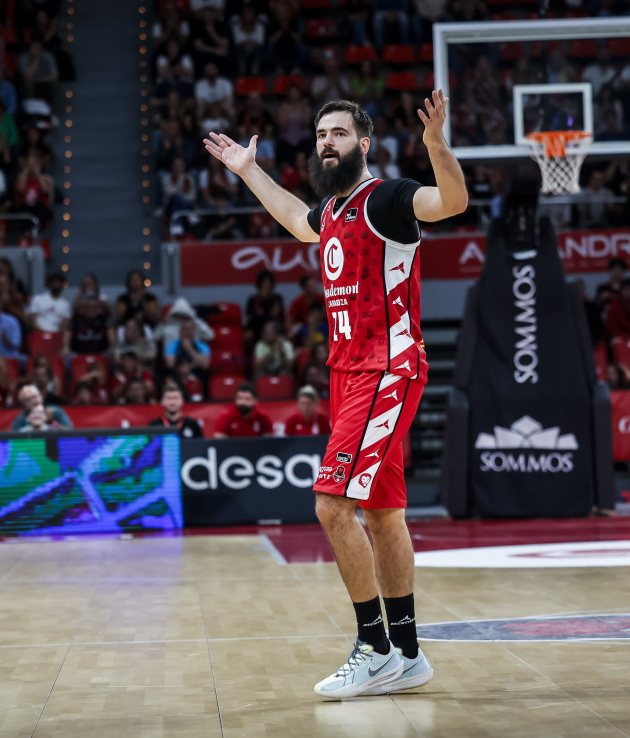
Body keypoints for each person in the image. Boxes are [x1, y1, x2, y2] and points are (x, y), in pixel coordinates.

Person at [204, 90, 466, 697]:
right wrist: (249, 172)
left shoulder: (391, 199)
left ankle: (372, 646)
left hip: (388, 369)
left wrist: (436, 145)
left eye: (340, 133)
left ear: (364, 143)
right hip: (349, 376)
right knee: (382, 513)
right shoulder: (332, 213)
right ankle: (407, 651)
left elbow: (451, 201)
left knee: (330, 504)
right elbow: (297, 219)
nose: (328, 142)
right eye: (322, 134)